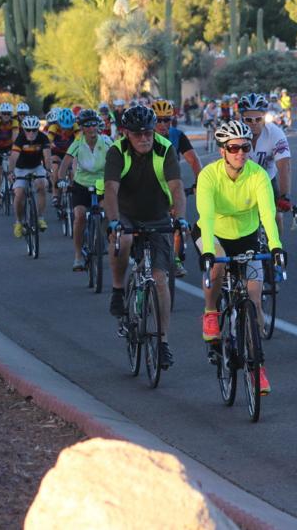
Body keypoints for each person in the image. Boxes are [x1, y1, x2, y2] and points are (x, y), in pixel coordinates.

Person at [195, 120, 285, 395]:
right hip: (214, 233)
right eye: (234, 148)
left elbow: (268, 215)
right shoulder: (209, 175)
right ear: (222, 150)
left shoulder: (258, 175)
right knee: (218, 267)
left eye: (245, 147)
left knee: (254, 300)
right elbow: (206, 216)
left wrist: (276, 247)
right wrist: (208, 251)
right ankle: (211, 313)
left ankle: (258, 368)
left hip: (246, 236)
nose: (240, 153)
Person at [103, 104, 189, 369]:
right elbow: (110, 189)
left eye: (148, 133)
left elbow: (177, 188)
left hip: (157, 215)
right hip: (126, 213)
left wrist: (180, 218)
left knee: (161, 280)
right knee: (124, 240)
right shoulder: (117, 151)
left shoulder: (165, 149)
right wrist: (114, 222)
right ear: (126, 133)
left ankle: (163, 344)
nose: (144, 138)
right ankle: (118, 289)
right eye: (138, 134)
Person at [57, 109, 113, 270]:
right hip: (81, 184)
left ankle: (101, 236)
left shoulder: (106, 141)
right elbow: (65, 164)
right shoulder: (77, 143)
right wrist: (61, 180)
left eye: (94, 124)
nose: (92, 128)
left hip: (102, 184)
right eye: (87, 125)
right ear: (81, 128)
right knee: (80, 216)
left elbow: (119, 159)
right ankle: (78, 255)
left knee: (107, 212)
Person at [153, 99, 203, 277]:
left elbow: (193, 160)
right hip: (150, 187)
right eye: (158, 120)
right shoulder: (144, 137)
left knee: (180, 226)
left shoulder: (177, 135)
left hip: (173, 186)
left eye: (166, 120)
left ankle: (175, 260)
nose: (162, 124)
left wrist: (200, 183)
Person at [239, 93, 292, 233]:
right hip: (241, 180)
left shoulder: (275, 133)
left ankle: (276, 245)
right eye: (248, 120)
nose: (254, 123)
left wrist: (284, 196)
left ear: (265, 117)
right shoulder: (235, 134)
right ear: (241, 119)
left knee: (276, 216)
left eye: (258, 119)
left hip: (267, 179)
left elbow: (284, 166)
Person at [9, 114, 51, 238]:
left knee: (41, 186)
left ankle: (40, 218)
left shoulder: (43, 138)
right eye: (28, 130)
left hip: (37, 167)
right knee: (19, 193)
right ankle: (18, 222)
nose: (31, 133)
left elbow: (47, 156)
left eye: (34, 130)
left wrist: (48, 170)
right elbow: (13, 157)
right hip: (21, 168)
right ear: (24, 129)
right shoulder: (20, 139)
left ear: (38, 129)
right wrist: (11, 172)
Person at [47, 108, 80, 207]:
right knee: (55, 169)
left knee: (74, 169)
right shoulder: (53, 127)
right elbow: (48, 141)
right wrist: (51, 144)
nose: (65, 129)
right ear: (58, 122)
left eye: (68, 127)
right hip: (57, 152)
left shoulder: (75, 126)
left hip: (70, 152)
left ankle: (74, 190)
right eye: (63, 127)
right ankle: (55, 195)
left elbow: (79, 140)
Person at [0, 102, 20, 208]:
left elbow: (15, 137)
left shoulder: (14, 122)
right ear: (0, 114)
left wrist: (15, 150)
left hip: (9, 145)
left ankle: (14, 189)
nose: (6, 115)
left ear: (11, 114)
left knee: (13, 168)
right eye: (4, 113)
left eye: (8, 113)